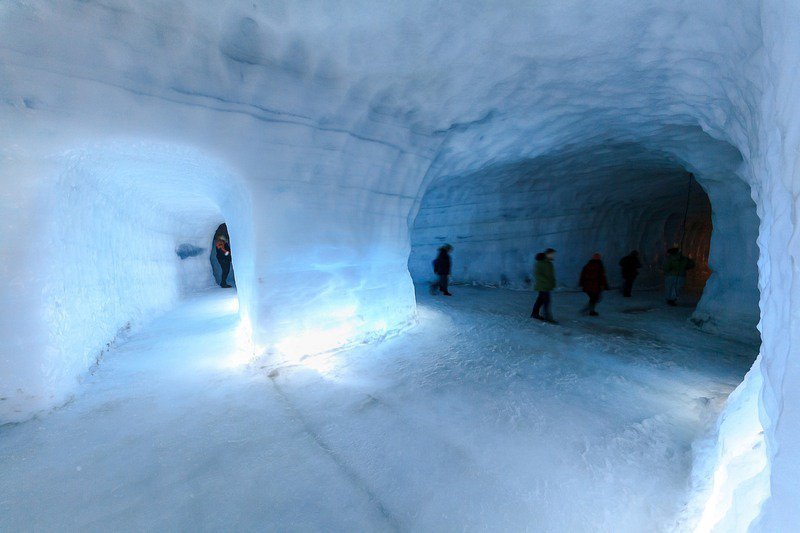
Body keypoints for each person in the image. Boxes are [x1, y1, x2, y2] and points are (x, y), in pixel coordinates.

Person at [531, 248, 557, 323]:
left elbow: (551, 275)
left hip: (546, 285)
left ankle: (535, 313)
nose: (553, 256)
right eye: (552, 254)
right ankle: (547, 317)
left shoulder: (549, 263)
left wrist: (553, 282)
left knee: (540, 300)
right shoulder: (540, 262)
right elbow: (538, 274)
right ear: (547, 254)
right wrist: (546, 281)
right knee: (546, 301)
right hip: (543, 285)